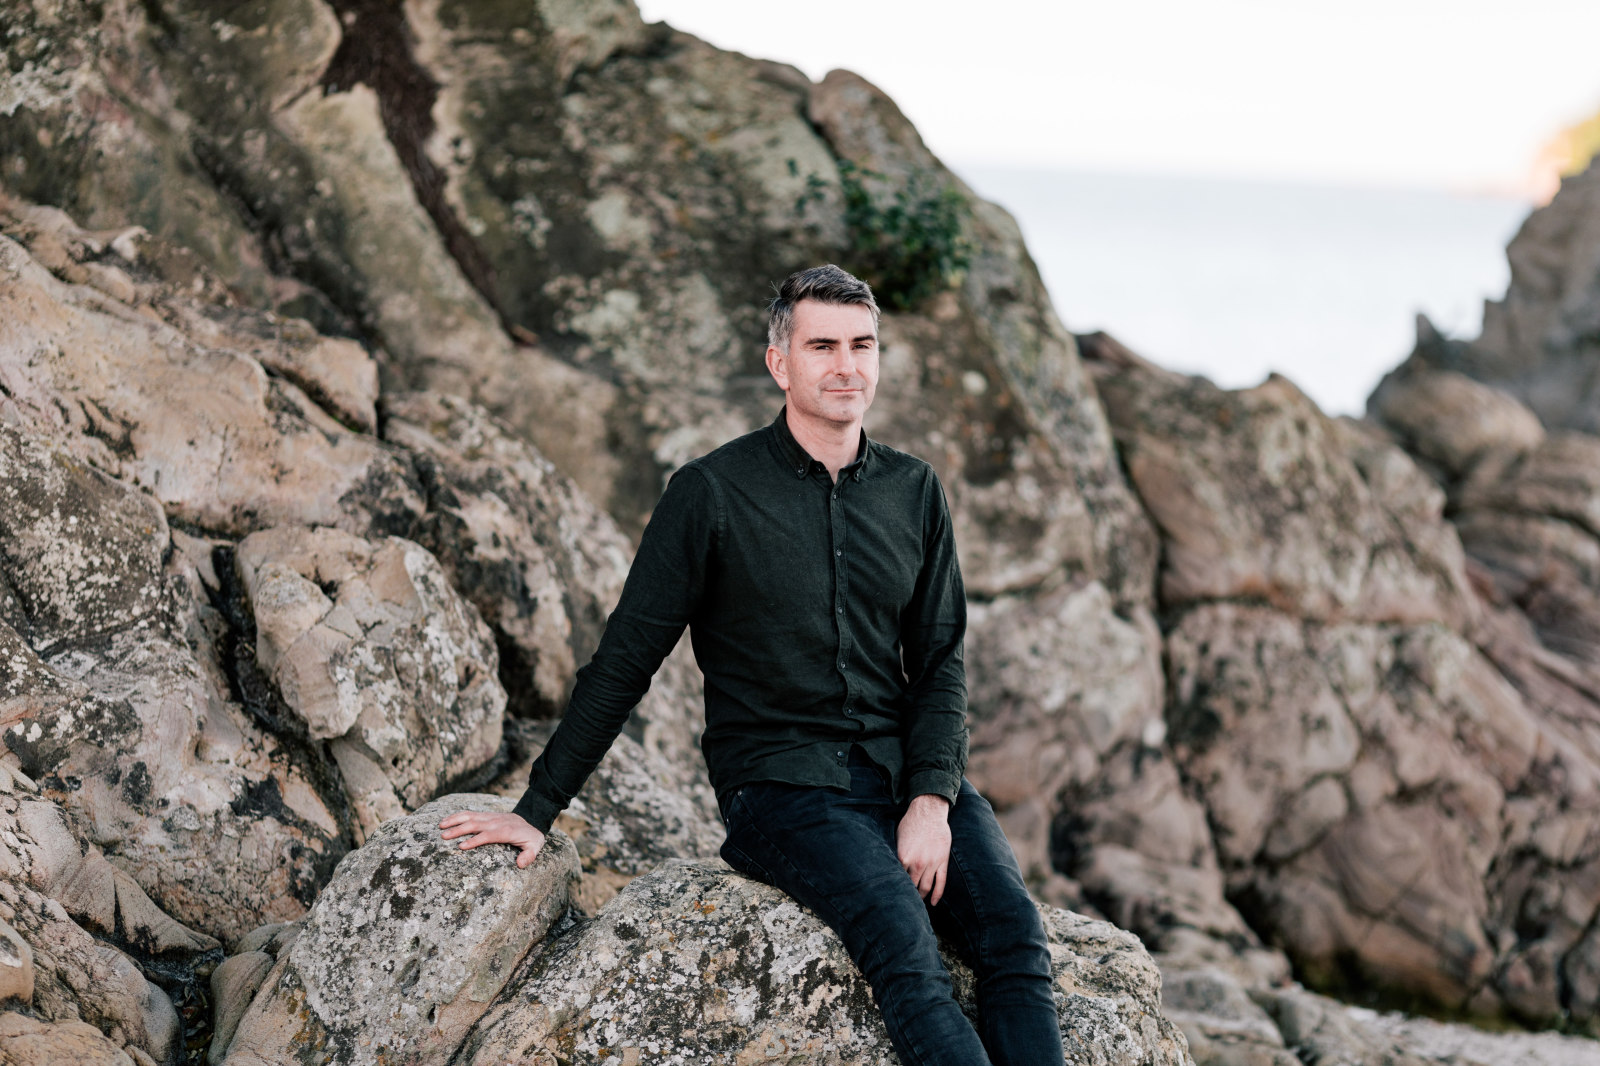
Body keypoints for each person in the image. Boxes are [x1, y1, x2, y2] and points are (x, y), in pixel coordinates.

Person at [438, 265, 1064, 1065]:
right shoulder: (710, 494)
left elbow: (940, 660)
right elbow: (625, 661)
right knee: (905, 946)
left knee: (1015, 938)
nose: (846, 366)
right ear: (780, 363)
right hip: (780, 786)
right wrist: (536, 809)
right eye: (823, 346)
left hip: (901, 768)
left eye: (862, 345)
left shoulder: (914, 490)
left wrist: (931, 800)